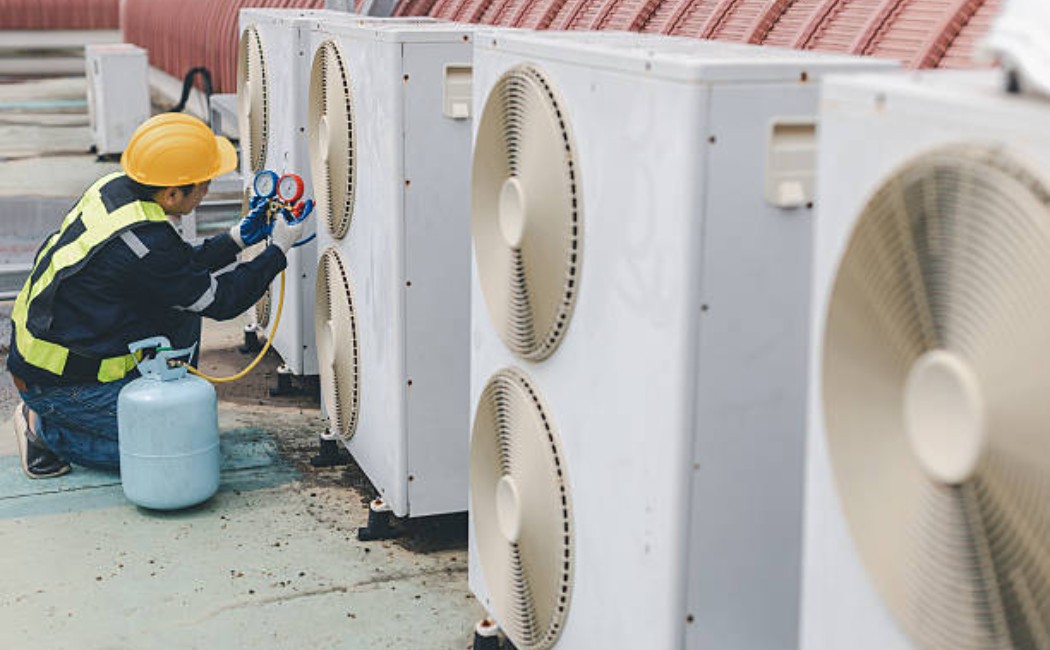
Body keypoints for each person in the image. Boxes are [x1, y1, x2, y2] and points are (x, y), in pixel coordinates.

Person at [7, 112, 308, 478]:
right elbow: (222, 300)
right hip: (58, 384)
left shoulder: (114, 190)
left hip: (55, 345)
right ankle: (43, 429)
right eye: (204, 184)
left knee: (184, 306)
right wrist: (277, 251)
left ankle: (160, 399)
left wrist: (237, 239)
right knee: (180, 445)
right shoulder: (145, 244)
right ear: (171, 193)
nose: (207, 191)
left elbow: (175, 271)